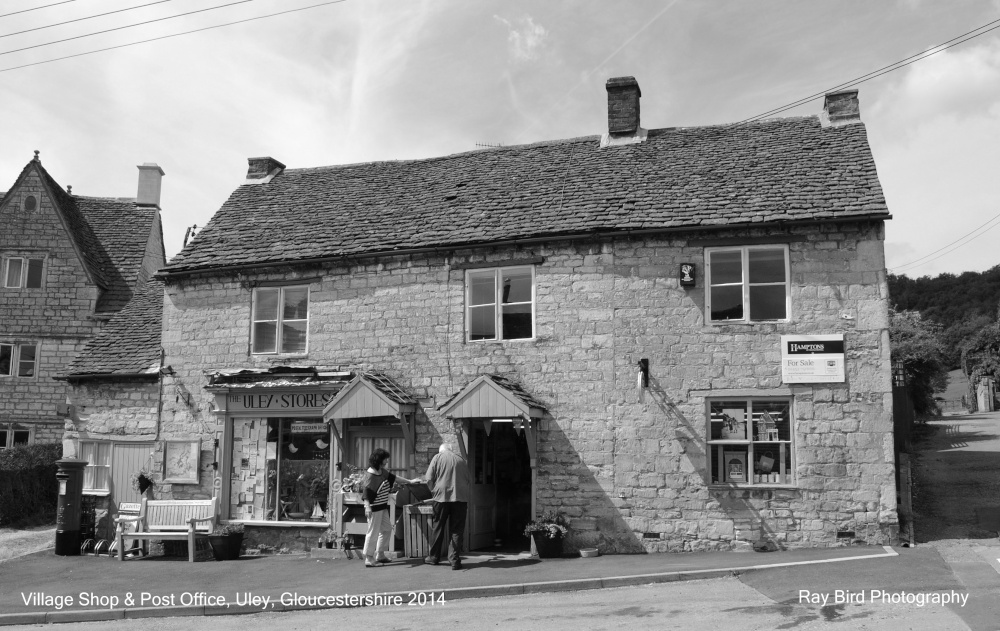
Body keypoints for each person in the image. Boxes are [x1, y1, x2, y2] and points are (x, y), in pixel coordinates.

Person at [361, 447, 419, 567]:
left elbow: (395, 478)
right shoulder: (371, 474)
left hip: (382, 507)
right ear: (379, 460)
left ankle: (380, 555)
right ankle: (369, 558)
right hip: (374, 508)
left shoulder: (382, 472)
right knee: (372, 532)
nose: (387, 461)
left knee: (387, 529)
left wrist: (410, 481)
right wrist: (367, 507)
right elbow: (366, 493)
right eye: (385, 459)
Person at [423, 443, 471, 570]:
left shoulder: (438, 458)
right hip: (460, 498)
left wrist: (433, 491)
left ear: (441, 450)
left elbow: (428, 479)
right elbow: (468, 480)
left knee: (438, 527)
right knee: (457, 530)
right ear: (451, 450)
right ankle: (454, 560)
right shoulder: (461, 460)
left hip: (441, 497)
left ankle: (433, 557)